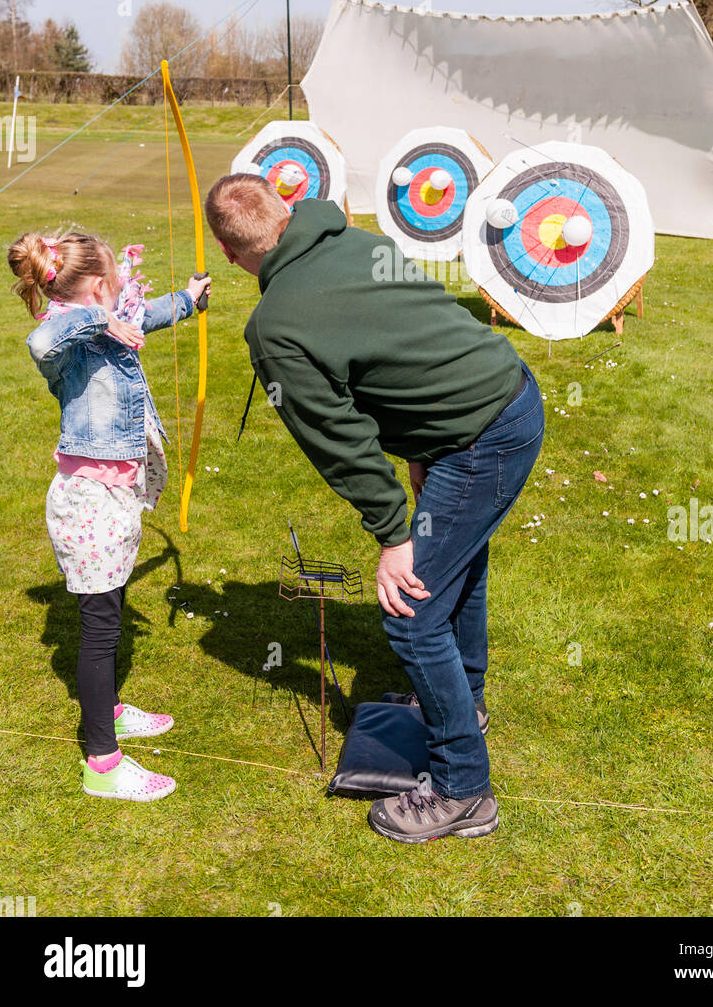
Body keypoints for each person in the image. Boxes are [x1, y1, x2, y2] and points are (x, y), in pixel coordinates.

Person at [205, 174, 544, 843]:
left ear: (227, 251)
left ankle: (462, 789)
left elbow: (340, 443)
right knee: (453, 570)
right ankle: (462, 704)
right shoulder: (355, 241)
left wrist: (394, 535)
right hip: (507, 396)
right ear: (288, 208)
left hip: (481, 436)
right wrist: (423, 447)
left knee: (412, 613)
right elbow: (417, 333)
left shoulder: (275, 327)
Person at [7, 229, 211, 801]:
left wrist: (188, 300)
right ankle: (102, 762)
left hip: (111, 498)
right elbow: (41, 338)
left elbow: (139, 315)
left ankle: (112, 711)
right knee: (99, 633)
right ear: (97, 287)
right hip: (89, 502)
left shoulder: (110, 323)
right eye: (112, 282)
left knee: (112, 608)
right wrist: (98, 322)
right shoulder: (72, 340)